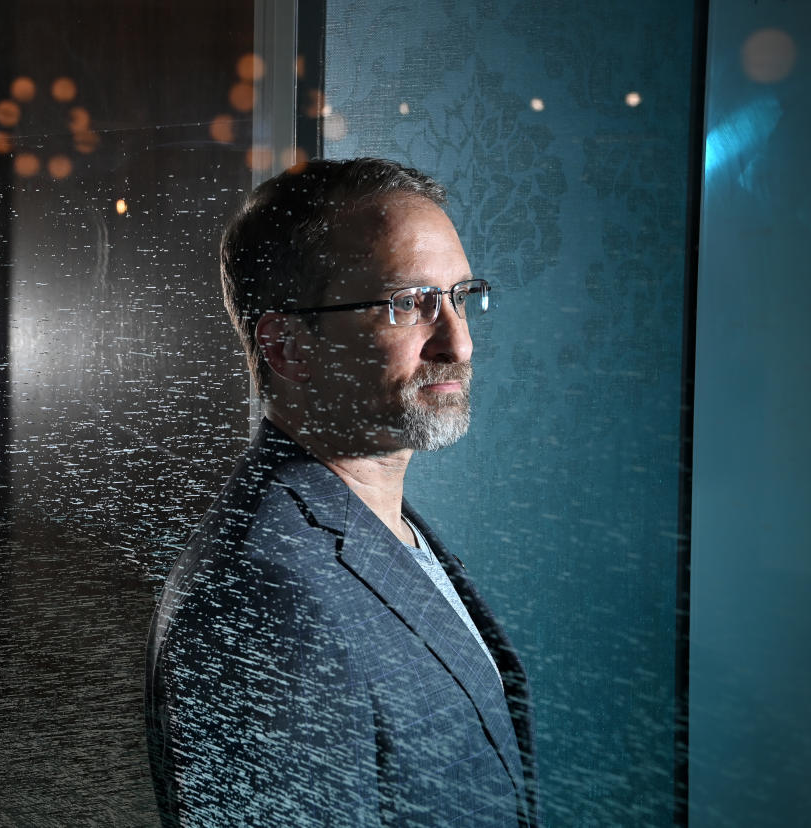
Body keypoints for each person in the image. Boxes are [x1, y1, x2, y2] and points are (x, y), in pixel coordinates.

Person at [145, 158, 540, 826]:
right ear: (289, 347)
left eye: (461, 296)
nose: (459, 342)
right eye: (409, 304)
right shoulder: (264, 594)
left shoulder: (367, 531)